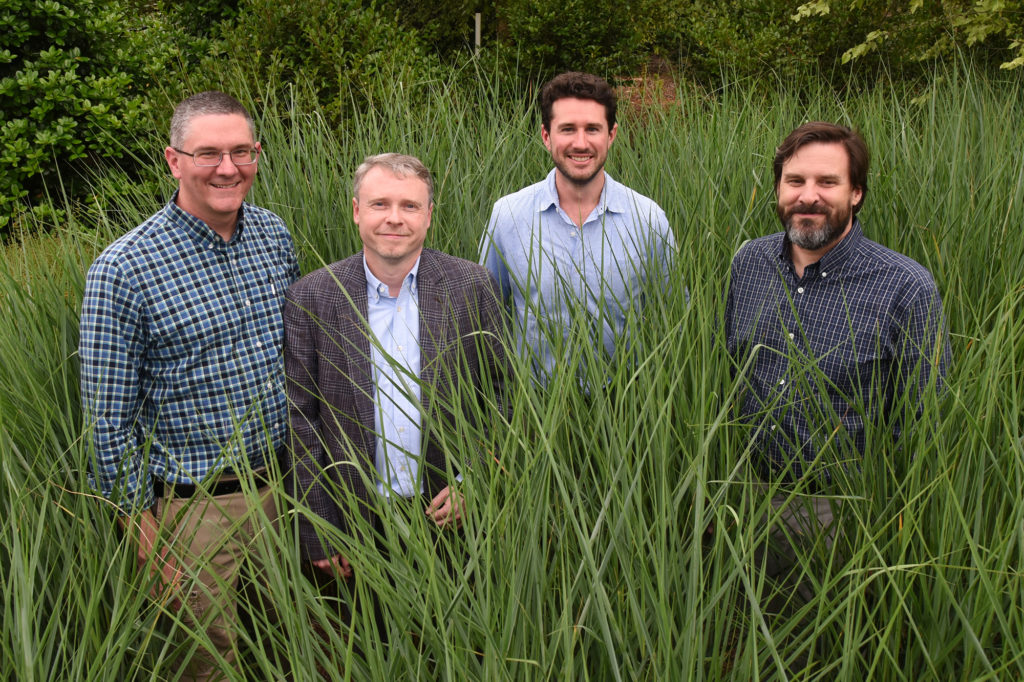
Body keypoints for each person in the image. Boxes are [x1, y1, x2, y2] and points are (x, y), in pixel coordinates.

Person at [79, 91, 300, 680]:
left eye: (240, 151)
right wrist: (149, 544)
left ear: (256, 154)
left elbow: (296, 360)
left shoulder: (273, 237)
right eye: (208, 153)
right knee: (207, 665)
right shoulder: (123, 269)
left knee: (296, 652)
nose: (227, 168)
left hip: (287, 488)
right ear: (174, 161)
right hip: (196, 513)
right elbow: (108, 422)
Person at [724, 121, 950, 605]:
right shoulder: (749, 262)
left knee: (822, 645)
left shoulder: (905, 286)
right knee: (745, 630)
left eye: (828, 183)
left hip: (841, 510)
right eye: (795, 181)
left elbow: (922, 417)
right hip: (745, 492)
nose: (809, 196)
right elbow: (730, 371)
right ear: (779, 189)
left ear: (857, 194)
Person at [285, 153, 504, 590]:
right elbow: (300, 420)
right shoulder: (312, 295)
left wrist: (475, 483)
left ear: (428, 216)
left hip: (450, 515)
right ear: (356, 211)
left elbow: (502, 394)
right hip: (354, 522)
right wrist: (319, 528)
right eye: (380, 204)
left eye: (409, 206)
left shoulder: (471, 285)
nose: (394, 219)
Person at [479, 71, 676, 384]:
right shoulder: (508, 216)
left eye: (592, 129)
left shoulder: (648, 219)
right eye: (567, 129)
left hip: (624, 412)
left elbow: (673, 320)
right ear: (546, 136)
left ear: (611, 135)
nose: (580, 143)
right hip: (531, 411)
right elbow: (487, 315)